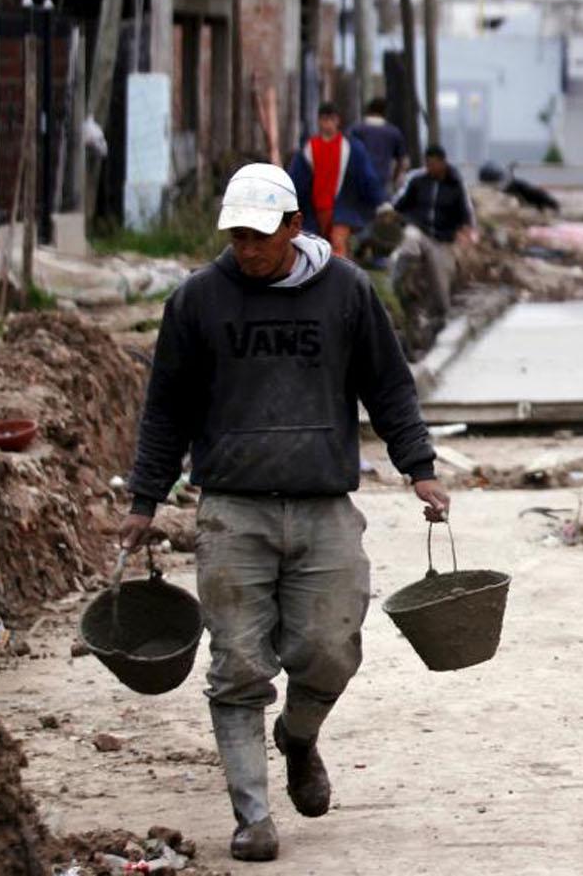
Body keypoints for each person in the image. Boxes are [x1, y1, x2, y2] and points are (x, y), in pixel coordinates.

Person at [118, 162, 451, 863]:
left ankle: (298, 736)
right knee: (237, 663)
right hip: (232, 512)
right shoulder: (198, 303)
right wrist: (144, 499)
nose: (246, 248)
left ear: (295, 227)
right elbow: (166, 411)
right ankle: (253, 815)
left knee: (331, 647)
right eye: (237, 236)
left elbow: (389, 386)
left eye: (259, 235)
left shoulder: (348, 294)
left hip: (324, 504)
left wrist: (419, 467)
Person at [390, 144, 476, 325]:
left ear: (443, 163)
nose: (430, 168)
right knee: (409, 239)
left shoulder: (456, 184)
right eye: (427, 163)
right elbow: (399, 203)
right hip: (420, 230)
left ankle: (441, 316)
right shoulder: (418, 180)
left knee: (441, 280)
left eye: (434, 164)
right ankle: (395, 283)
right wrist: (391, 215)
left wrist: (466, 231)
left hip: (442, 239)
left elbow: (466, 213)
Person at [286, 102, 385, 258]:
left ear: (338, 121)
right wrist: (287, 200)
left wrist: (380, 202)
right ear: (318, 121)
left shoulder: (351, 148)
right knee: (314, 250)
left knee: (338, 247)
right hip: (315, 209)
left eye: (331, 119)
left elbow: (366, 177)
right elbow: (296, 180)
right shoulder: (309, 149)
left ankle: (340, 280)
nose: (328, 124)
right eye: (324, 119)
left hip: (342, 207)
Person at [349, 97, 409, 197]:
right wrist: (395, 179)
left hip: (358, 181)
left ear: (368, 110)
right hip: (382, 180)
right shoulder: (393, 132)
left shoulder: (356, 130)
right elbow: (402, 160)